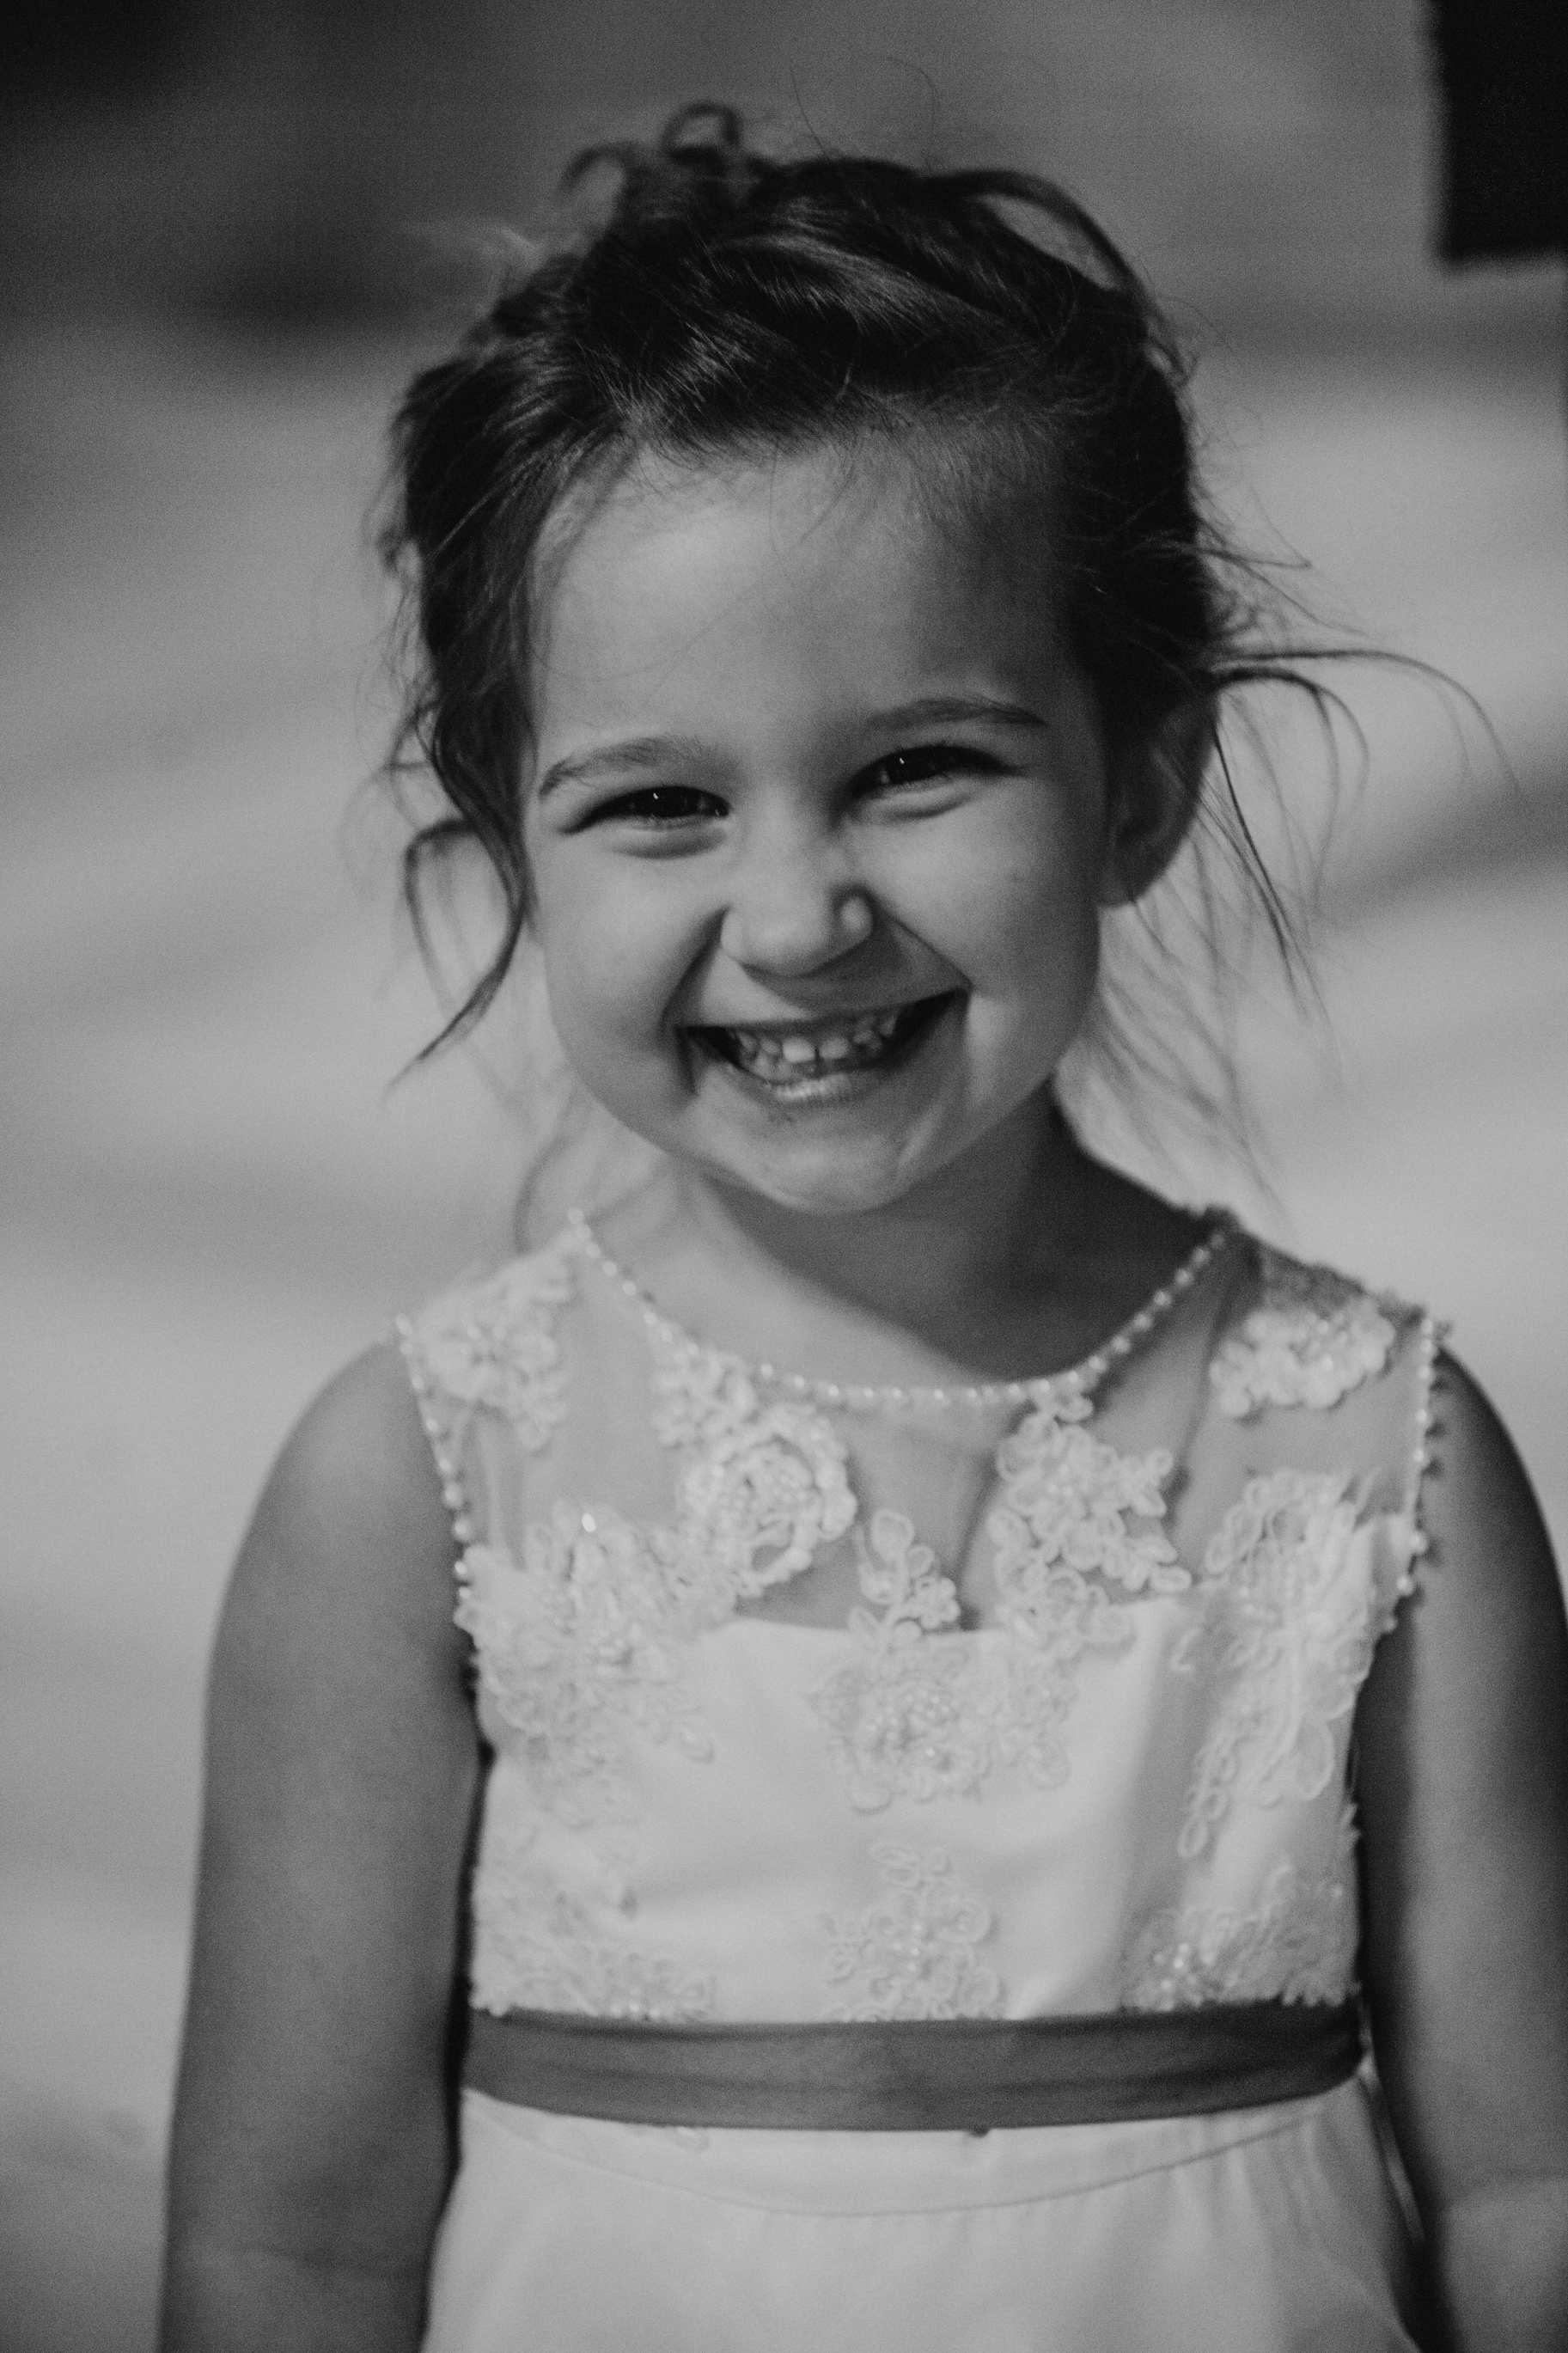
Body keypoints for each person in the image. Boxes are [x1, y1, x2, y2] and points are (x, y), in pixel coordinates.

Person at [158, 104, 1568, 2353]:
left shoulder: (1375, 1455)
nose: (799, 915)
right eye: (658, 804)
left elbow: (1524, 2182)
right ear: (511, 853)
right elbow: (290, 2246)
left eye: (917, 768)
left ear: (1142, 777)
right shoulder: (414, 1482)